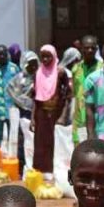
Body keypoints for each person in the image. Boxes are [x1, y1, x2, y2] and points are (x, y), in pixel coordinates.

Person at [32, 44, 68, 174]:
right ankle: (41, 171)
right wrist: (33, 119)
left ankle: (54, 170)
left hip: (56, 113)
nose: (45, 60)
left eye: (48, 57)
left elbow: (67, 96)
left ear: (54, 56)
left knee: (54, 142)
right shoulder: (38, 73)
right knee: (40, 142)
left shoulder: (61, 73)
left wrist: (63, 116)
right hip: (41, 113)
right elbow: (35, 98)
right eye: (43, 57)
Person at [69, 35, 103, 143]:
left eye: (93, 48)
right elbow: (75, 94)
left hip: (98, 116)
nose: (90, 50)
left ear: (96, 49)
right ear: (81, 49)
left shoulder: (102, 68)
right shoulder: (76, 69)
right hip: (80, 117)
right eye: (87, 47)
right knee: (80, 148)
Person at [9, 50, 37, 176]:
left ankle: (36, 167)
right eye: (30, 63)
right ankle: (22, 167)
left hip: (38, 113)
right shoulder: (20, 79)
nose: (34, 66)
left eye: (35, 63)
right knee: (23, 140)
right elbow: (10, 90)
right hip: (23, 114)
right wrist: (23, 101)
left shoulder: (39, 77)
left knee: (36, 141)